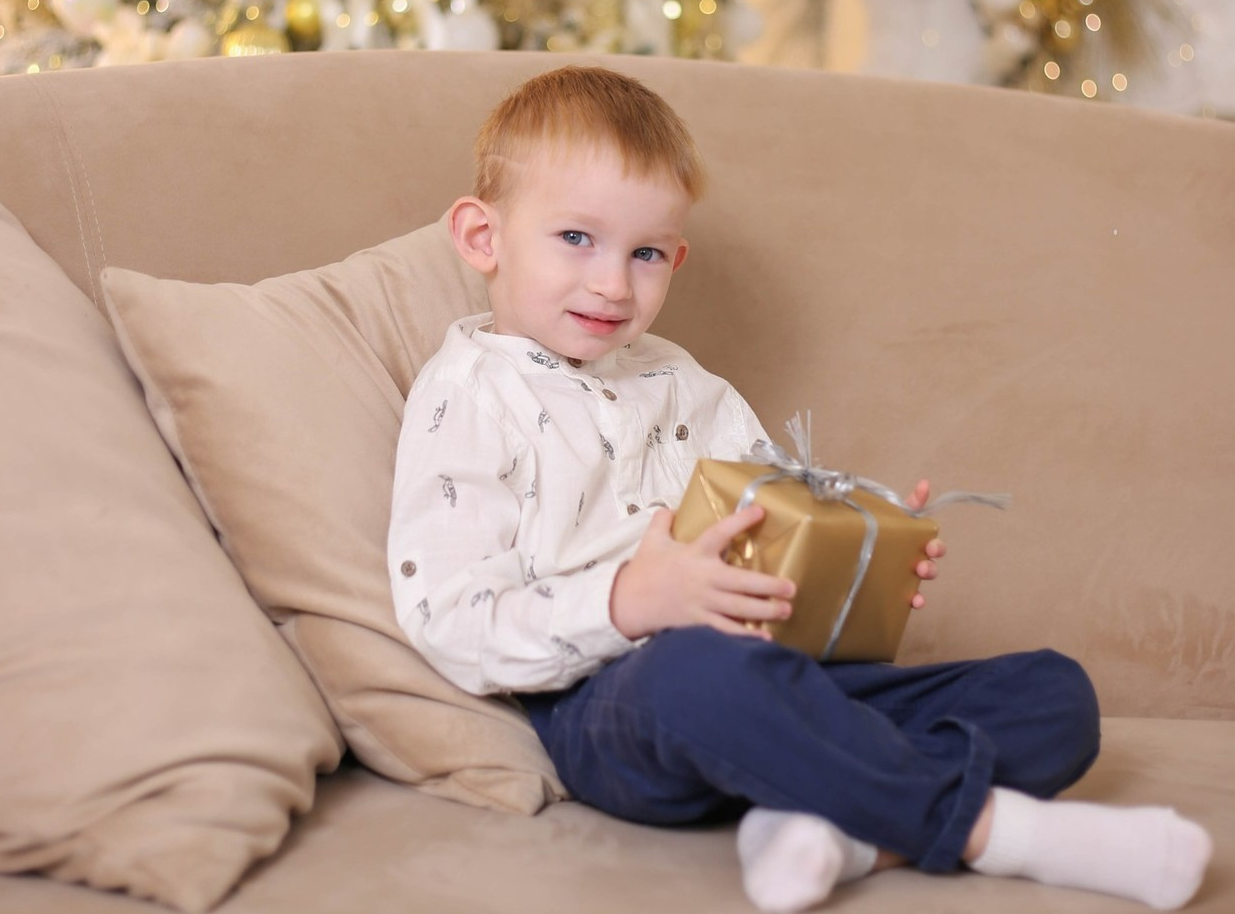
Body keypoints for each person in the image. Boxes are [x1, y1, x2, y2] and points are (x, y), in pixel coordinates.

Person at [388, 64, 1212, 912]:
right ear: (483, 238)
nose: (612, 283)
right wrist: (629, 602)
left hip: (779, 681)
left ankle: (835, 824)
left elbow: (775, 519)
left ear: (675, 256)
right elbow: (448, 618)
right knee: (699, 673)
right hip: (618, 704)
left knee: (1052, 694)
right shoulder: (470, 393)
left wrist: (858, 557)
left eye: (644, 254)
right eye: (575, 239)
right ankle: (995, 831)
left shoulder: (684, 382)